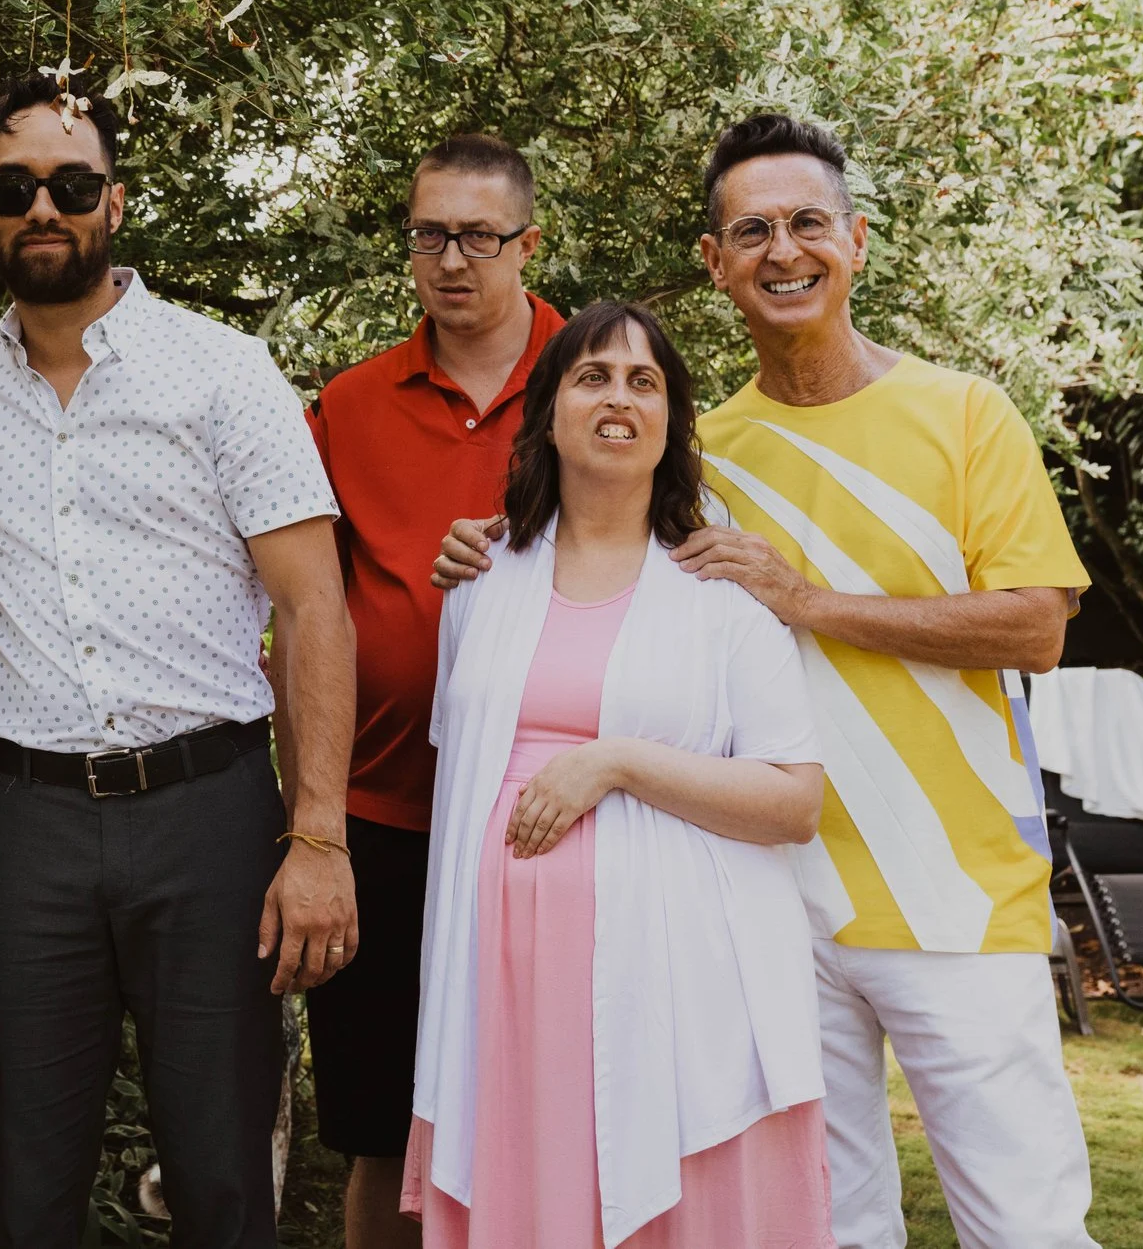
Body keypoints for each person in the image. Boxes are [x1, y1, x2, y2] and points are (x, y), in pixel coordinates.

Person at [436, 114, 1097, 1249]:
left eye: (806, 223)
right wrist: (497, 541)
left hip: (954, 895)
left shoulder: (965, 413)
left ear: (857, 240)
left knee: (1024, 1223)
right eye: (752, 230)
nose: (782, 249)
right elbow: (596, 528)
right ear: (715, 260)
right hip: (770, 902)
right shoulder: (705, 449)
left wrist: (808, 603)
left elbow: (1036, 625)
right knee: (826, 1226)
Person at [0, 69, 358, 1248]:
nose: (42, 207)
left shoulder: (222, 369)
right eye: (13, 185)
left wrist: (316, 834)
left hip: (209, 811)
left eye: (70, 184)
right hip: (27, 820)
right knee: (19, 1165)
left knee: (222, 1170)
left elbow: (313, 609)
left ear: (115, 201)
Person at [406, 300, 832, 1249]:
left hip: (676, 987)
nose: (618, 397)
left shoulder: (722, 596)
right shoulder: (481, 577)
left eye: (645, 382)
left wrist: (616, 762)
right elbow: (462, 768)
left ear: (674, 420)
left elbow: (795, 804)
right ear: (548, 410)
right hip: (507, 986)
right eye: (592, 375)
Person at [292, 132, 563, 1248]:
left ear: (527, 242)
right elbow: (297, 597)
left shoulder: (596, 379)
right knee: (383, 1131)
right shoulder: (349, 405)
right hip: (380, 816)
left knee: (552, 1113)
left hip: (544, 814)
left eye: (477, 235)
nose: (451, 259)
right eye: (428, 234)